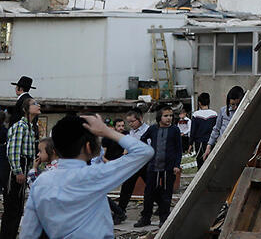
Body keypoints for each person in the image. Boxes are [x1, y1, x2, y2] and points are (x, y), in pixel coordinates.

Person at [20, 114, 153, 238]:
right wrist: (106, 131)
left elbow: (28, 233)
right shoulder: (95, 175)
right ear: (88, 147)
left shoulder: (41, 182)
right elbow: (145, 152)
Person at [135, 106, 182, 228]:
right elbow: (143, 139)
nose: (169, 118)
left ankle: (164, 218)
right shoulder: (153, 129)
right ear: (159, 117)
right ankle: (146, 217)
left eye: (171, 116)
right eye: (166, 116)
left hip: (169, 167)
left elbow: (179, 149)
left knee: (167, 194)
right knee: (149, 193)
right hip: (153, 166)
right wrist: (147, 152)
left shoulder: (175, 130)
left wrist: (177, 164)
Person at [1, 96, 39, 239]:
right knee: (12, 208)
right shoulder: (20, 126)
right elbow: (13, 151)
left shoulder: (30, 127)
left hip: (25, 167)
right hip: (16, 169)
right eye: (34, 104)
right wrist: (18, 171)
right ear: (26, 109)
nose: (39, 105)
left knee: (18, 209)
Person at [115, 109, 150, 216]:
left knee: (152, 187)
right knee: (126, 188)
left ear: (140, 119)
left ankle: (160, 207)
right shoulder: (131, 132)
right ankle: (120, 211)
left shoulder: (148, 130)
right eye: (128, 122)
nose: (130, 124)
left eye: (132, 121)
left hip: (144, 164)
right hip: (133, 164)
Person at [202, 86, 245, 162]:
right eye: (232, 104)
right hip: (222, 148)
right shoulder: (223, 111)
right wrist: (209, 146)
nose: (235, 107)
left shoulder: (244, 112)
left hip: (237, 149)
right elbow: (216, 129)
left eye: (237, 104)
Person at [190, 93, 218, 169]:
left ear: (199, 102)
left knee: (200, 162)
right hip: (211, 142)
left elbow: (193, 131)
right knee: (210, 162)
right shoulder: (214, 114)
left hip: (199, 143)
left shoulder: (196, 114)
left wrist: (190, 144)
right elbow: (216, 129)